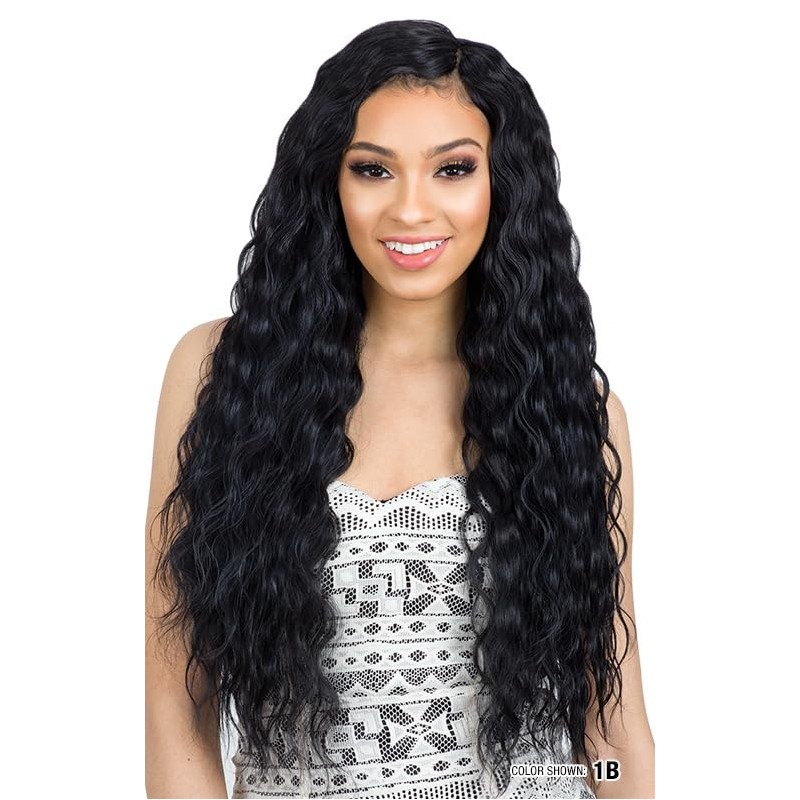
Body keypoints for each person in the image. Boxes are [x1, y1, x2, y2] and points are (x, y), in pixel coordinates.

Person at [145, 18, 655, 800]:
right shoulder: (222, 373)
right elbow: (176, 707)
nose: (412, 209)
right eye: (373, 169)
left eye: (453, 169)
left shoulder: (570, 408)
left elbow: (610, 730)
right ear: (330, 182)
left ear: (502, 184)